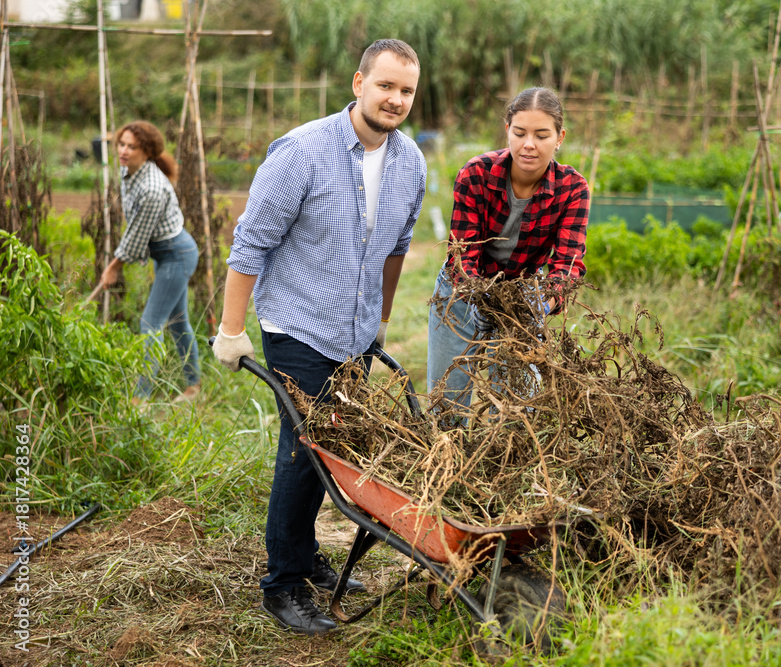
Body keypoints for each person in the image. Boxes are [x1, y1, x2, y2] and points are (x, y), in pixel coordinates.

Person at [211, 39, 425, 636]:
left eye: (406, 90)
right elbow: (250, 244)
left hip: (354, 330)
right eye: (385, 85)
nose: (396, 99)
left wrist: (379, 321)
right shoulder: (301, 153)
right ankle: (283, 584)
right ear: (358, 82)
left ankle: (305, 556)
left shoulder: (411, 162)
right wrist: (231, 330)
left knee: (334, 454)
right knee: (305, 454)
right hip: (299, 327)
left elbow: (397, 248)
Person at [426, 87, 589, 411]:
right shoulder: (476, 174)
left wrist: (545, 302)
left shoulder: (573, 189)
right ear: (507, 132)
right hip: (461, 293)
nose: (529, 144)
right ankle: (449, 457)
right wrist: (479, 293)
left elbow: (568, 264)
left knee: (518, 409)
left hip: (523, 297)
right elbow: (463, 255)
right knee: (447, 403)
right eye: (520, 133)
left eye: (542, 135)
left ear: (560, 137)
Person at [100, 120, 201, 403]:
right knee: (178, 322)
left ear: (147, 152)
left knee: (150, 324)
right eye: (122, 144)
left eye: (132, 147)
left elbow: (136, 237)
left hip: (176, 255)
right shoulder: (128, 171)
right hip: (167, 254)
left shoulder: (153, 189)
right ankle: (194, 386)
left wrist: (112, 268)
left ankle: (139, 400)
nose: (124, 151)